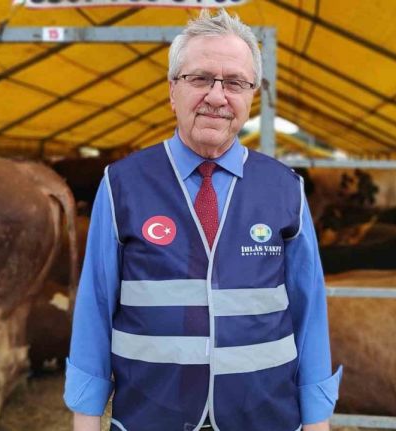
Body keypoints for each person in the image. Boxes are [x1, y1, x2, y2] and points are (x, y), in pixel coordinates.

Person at [64, 9, 341, 431]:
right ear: (172, 90)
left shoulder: (286, 187)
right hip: (151, 419)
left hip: (265, 419)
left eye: (234, 83)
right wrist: (85, 419)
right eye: (200, 78)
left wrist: (317, 420)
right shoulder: (121, 184)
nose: (217, 96)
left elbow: (310, 312)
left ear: (252, 95)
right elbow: (95, 307)